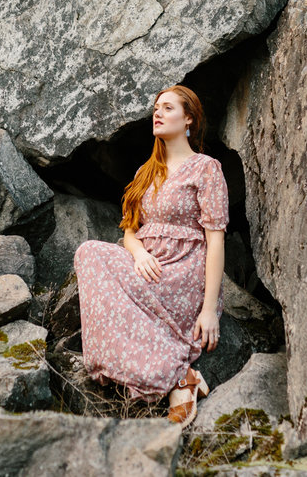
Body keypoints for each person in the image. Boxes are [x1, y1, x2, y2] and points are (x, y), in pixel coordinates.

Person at [73, 84, 229, 428]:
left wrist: (208, 310)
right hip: (146, 264)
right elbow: (130, 230)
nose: (157, 113)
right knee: (88, 252)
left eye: (168, 108)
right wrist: (139, 251)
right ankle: (180, 377)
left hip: (184, 272)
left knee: (105, 277)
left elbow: (215, 241)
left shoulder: (206, 168)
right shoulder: (147, 171)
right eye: (156, 107)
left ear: (189, 119)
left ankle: (173, 378)